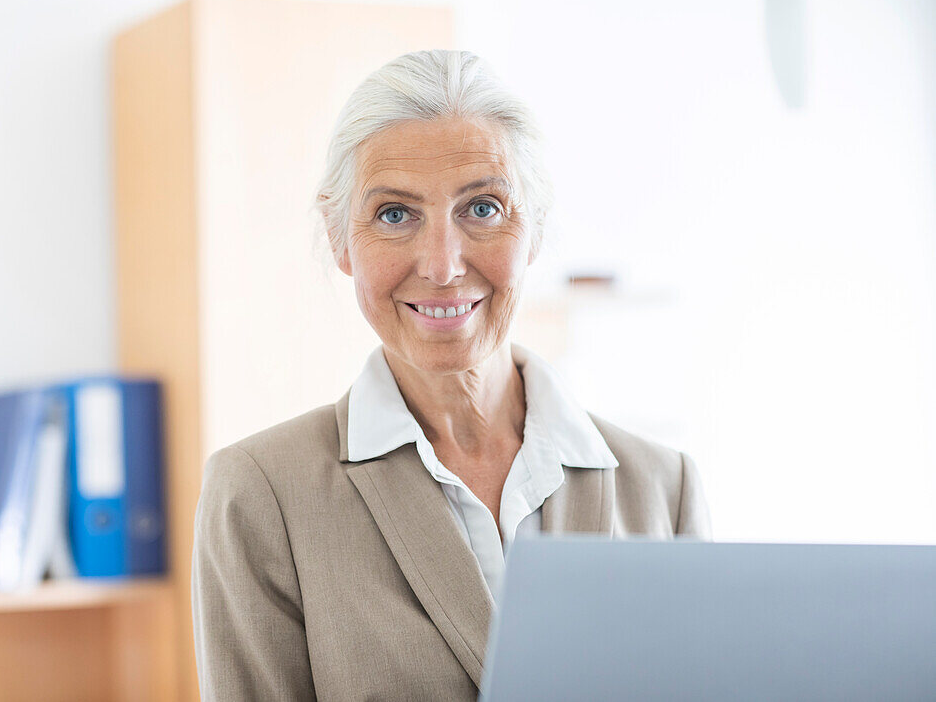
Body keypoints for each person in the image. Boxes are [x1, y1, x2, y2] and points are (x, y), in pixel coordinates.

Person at [191, 49, 712, 701]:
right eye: (394, 213)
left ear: (536, 230)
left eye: (483, 208)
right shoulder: (262, 495)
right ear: (340, 240)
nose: (441, 264)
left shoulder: (665, 487)